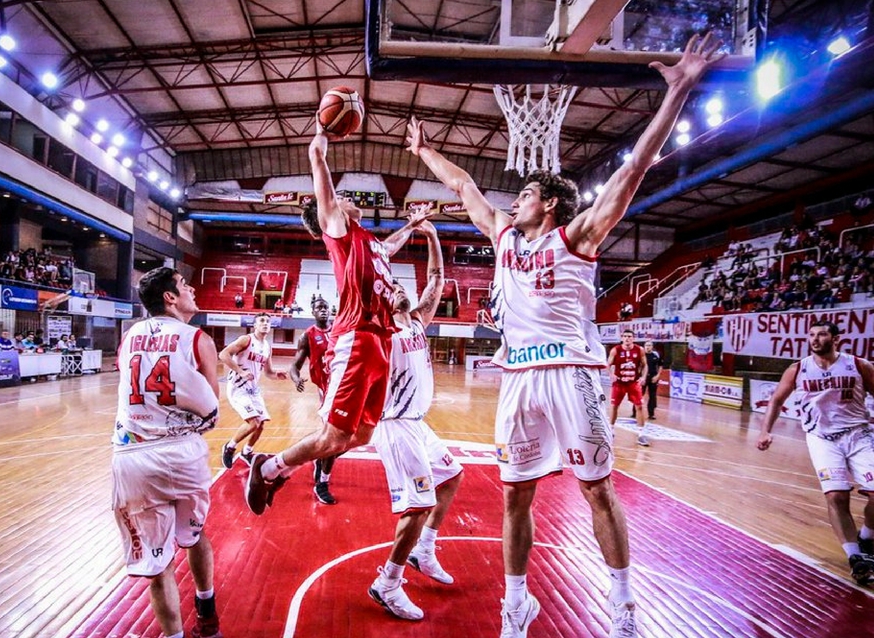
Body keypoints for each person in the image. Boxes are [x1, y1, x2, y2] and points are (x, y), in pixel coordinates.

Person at [407, 32, 724, 638]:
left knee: (597, 490)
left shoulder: (577, 236)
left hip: (572, 374)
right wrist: (424, 152)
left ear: (550, 204)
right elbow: (464, 187)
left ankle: (623, 603)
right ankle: (516, 604)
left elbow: (634, 168)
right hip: (518, 379)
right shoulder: (503, 237)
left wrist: (677, 92)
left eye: (526, 193)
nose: (515, 200)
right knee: (513, 497)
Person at [244, 124, 436, 515]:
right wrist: (321, 132)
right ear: (329, 212)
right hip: (357, 339)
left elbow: (389, 247)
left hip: (380, 344)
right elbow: (318, 161)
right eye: (341, 198)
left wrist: (413, 226)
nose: (346, 199)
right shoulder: (339, 231)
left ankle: (280, 469)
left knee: (362, 435)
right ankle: (268, 467)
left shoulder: (369, 243)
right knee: (334, 436)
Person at [111, 267, 222, 638]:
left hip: (134, 456)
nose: (192, 289)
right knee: (195, 535)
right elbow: (211, 409)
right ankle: (207, 615)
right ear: (170, 298)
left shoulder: (128, 337)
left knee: (158, 564)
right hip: (182, 454)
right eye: (184, 285)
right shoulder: (197, 339)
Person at [368, 221, 464, 621]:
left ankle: (423, 550)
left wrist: (433, 236)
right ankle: (387, 583)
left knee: (452, 476)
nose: (399, 288)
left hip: (418, 424)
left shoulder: (419, 321)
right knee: (419, 503)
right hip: (395, 425)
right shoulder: (379, 330)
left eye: (400, 285)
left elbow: (436, 281)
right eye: (391, 288)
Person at [756, 320, 874, 585]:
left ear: (836, 339)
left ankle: (867, 536)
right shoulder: (798, 369)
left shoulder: (858, 365)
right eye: (811, 335)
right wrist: (765, 431)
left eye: (821, 334)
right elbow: (776, 400)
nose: (815, 339)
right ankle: (855, 557)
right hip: (822, 439)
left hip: (858, 434)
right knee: (836, 495)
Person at [288, 297, 341, 505]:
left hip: (345, 386)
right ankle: (322, 483)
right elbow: (294, 366)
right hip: (327, 391)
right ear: (312, 312)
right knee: (334, 437)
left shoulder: (339, 329)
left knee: (353, 437)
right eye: (319, 307)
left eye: (326, 307)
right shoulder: (307, 336)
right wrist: (296, 379)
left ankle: (321, 457)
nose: (323, 310)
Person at [219, 313, 289, 469]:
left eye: (268, 321)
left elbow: (268, 372)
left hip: (253, 389)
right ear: (255, 325)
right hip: (238, 387)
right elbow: (223, 354)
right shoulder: (247, 340)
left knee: (261, 424)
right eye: (261, 321)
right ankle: (229, 447)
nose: (265, 323)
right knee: (253, 423)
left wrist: (276, 374)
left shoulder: (267, 347)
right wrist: (241, 371)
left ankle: (246, 452)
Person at [607, 330, 649, 446]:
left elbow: (645, 365)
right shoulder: (616, 350)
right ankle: (611, 430)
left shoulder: (639, 350)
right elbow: (607, 364)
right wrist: (611, 374)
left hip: (633, 383)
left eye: (629, 336)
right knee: (614, 406)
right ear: (622, 338)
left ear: (633, 338)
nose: (627, 338)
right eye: (625, 336)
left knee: (639, 406)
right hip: (619, 383)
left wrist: (643, 377)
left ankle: (641, 435)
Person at [640, 341, 663, 420]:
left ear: (652, 347)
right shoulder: (641, 355)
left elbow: (660, 366)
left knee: (652, 396)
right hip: (643, 378)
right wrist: (641, 377)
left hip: (653, 378)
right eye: (646, 345)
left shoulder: (656, 355)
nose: (648, 347)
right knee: (639, 395)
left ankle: (651, 414)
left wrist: (657, 376)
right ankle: (635, 412)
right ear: (644, 346)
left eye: (649, 345)